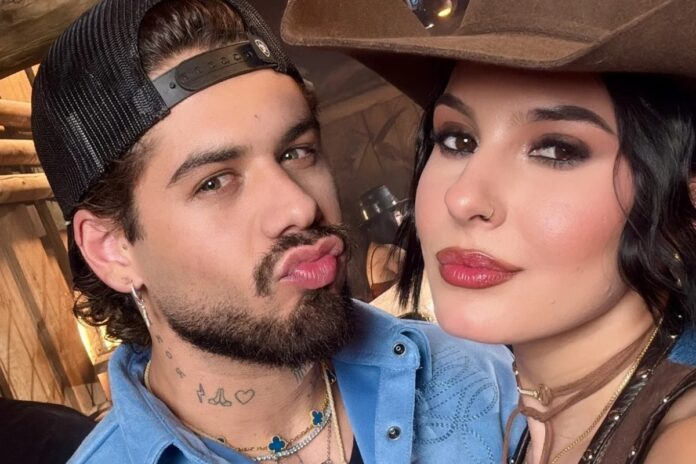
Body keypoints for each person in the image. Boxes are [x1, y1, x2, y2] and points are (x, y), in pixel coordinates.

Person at [31, 0, 520, 462]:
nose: (300, 206)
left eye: (296, 153)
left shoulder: (480, 378)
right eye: (215, 182)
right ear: (112, 249)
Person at [282, 0, 696, 463]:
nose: (463, 198)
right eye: (457, 140)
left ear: (684, 195)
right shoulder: (537, 417)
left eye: (556, 150)